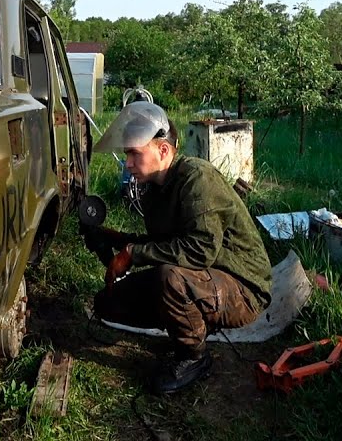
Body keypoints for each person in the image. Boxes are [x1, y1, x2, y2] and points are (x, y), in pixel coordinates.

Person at [84, 101, 272, 393]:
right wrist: (116, 239)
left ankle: (193, 357)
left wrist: (132, 253)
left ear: (162, 150)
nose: (128, 163)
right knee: (108, 303)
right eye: (126, 154)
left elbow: (200, 249)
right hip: (203, 278)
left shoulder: (196, 177)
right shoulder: (154, 189)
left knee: (168, 279)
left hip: (243, 289)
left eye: (134, 153)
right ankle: (191, 321)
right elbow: (166, 243)